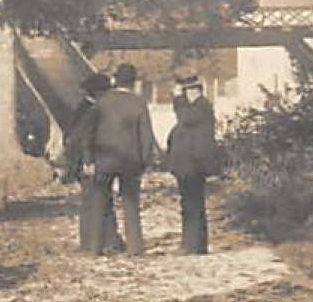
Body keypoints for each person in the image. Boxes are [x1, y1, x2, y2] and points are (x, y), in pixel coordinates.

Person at [84, 63, 160, 256]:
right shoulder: (138, 103)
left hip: (105, 159)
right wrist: (145, 161)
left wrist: (89, 160)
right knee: (131, 204)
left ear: (115, 80)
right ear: (133, 82)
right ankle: (135, 248)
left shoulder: (102, 102)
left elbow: (88, 133)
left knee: (99, 202)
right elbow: (146, 135)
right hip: (130, 161)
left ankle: (94, 248)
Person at [165, 75, 223, 254]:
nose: (184, 95)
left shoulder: (200, 107)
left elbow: (185, 118)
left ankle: (193, 245)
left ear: (194, 90)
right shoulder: (199, 107)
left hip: (193, 165)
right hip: (190, 164)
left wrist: (177, 99)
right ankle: (194, 244)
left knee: (192, 205)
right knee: (191, 204)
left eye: (186, 91)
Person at [65, 72, 121, 254]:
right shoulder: (91, 109)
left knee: (94, 201)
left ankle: (94, 241)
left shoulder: (85, 107)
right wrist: (86, 162)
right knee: (98, 201)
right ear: (98, 92)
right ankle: (104, 241)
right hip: (91, 162)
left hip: (90, 162)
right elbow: (80, 139)